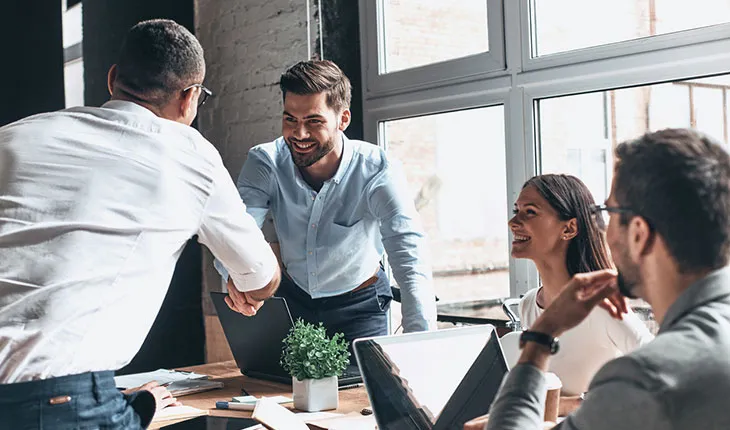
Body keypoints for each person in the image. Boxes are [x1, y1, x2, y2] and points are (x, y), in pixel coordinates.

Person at [0, 20, 280, 429]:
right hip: (60, 404)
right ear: (189, 98)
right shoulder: (188, 154)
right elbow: (261, 281)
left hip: (65, 394)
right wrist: (244, 279)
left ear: (113, 78)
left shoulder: (14, 138)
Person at [485, 128, 730, 429]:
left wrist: (541, 335)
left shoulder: (645, 379)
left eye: (608, 212)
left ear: (639, 234)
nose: (602, 229)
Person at [216, 60, 437, 345]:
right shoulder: (266, 161)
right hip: (292, 299)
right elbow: (236, 231)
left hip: (360, 307)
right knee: (279, 388)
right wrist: (235, 277)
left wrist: (421, 343)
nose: (299, 134)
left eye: (314, 121)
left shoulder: (378, 170)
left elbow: (409, 254)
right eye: (290, 119)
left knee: (364, 390)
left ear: (343, 119)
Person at [509, 174, 653, 401]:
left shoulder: (601, 306)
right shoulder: (529, 304)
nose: (513, 222)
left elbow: (660, 371)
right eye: (516, 211)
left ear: (569, 228)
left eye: (530, 212)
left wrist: (570, 405)